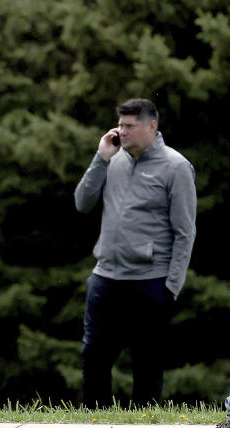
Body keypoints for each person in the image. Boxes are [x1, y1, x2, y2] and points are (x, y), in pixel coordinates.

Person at [74, 98, 196, 409]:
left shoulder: (176, 167)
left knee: (147, 362)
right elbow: (82, 203)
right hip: (105, 276)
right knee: (94, 355)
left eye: (130, 126)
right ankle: (94, 424)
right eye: (121, 124)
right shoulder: (112, 160)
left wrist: (172, 286)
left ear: (151, 126)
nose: (122, 131)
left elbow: (185, 232)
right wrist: (100, 158)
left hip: (150, 281)